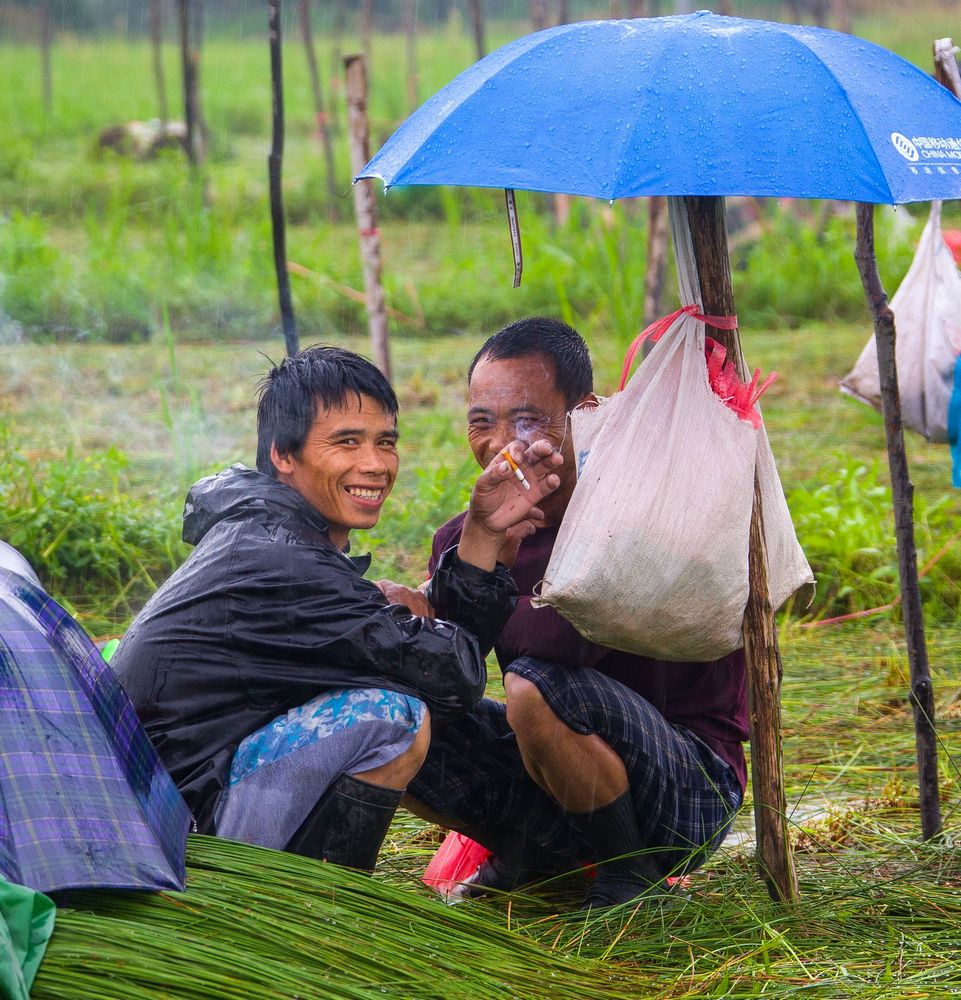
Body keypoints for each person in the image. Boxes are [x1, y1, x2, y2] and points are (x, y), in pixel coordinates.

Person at [112, 345, 562, 873]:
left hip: (176, 801)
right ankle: (324, 905)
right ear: (283, 453)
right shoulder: (282, 559)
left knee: (406, 698)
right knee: (393, 717)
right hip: (179, 835)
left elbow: (439, 669)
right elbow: (452, 677)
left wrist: (479, 538)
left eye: (385, 443)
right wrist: (482, 541)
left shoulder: (265, 534)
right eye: (346, 442)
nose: (374, 465)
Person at [384, 318, 749, 909]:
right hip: (556, 774)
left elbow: (566, 643)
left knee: (535, 687)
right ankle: (532, 858)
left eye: (527, 420)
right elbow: (449, 673)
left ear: (585, 413)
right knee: (391, 715)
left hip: (688, 787)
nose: (502, 442)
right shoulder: (468, 533)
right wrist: (413, 612)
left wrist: (467, 585)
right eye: (483, 421)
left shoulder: (635, 517)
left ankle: (629, 877)